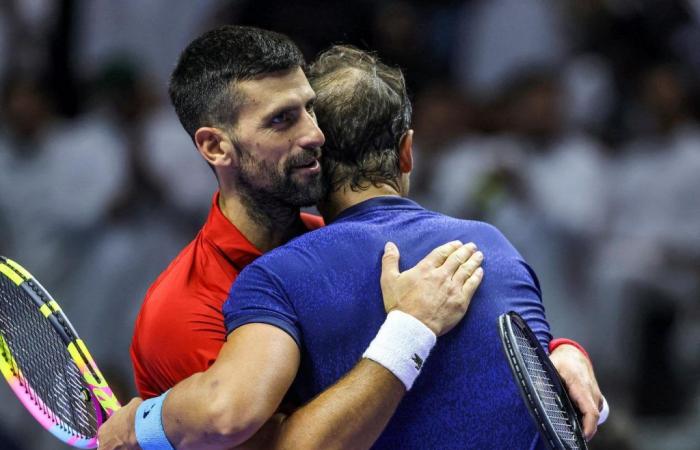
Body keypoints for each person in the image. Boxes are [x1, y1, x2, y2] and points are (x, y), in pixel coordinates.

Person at [98, 26, 602, 449]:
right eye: (282, 120)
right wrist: (410, 328)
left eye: (310, 110)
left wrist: (557, 353)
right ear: (215, 146)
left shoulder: (331, 246)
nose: (315, 135)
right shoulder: (183, 309)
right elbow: (252, 431)